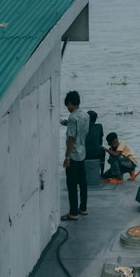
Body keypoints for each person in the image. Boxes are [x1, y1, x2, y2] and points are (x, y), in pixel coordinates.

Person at [61, 91, 90, 220]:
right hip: (82, 152)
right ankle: (83, 208)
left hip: (73, 155)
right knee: (83, 182)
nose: (67, 108)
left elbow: (71, 138)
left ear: (70, 103)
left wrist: (67, 158)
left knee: (72, 185)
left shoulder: (72, 117)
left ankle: (73, 212)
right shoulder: (86, 115)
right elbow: (81, 131)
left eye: (67, 105)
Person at [84, 109, 105, 191]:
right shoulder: (99, 126)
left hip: (85, 154)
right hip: (96, 153)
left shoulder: (82, 127)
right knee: (102, 151)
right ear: (95, 119)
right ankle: (102, 174)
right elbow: (100, 141)